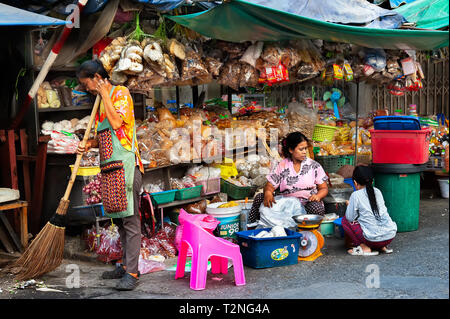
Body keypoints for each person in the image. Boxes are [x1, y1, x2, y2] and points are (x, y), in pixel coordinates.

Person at [76, 60, 144, 290]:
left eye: (87, 84)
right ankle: (125, 266)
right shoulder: (99, 103)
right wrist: (89, 145)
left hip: (127, 167)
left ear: (97, 78)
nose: (87, 89)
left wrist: (105, 93)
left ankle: (133, 274)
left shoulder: (120, 93)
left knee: (132, 222)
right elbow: (103, 136)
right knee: (121, 222)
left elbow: (117, 123)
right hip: (110, 169)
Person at [248, 132, 329, 223]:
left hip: (307, 203)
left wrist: (318, 196)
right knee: (260, 197)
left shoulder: (314, 165)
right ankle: (253, 226)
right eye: (301, 149)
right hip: (286, 205)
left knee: (316, 207)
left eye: (305, 148)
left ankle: (310, 233)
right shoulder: (282, 165)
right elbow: (270, 185)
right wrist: (268, 192)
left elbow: (324, 188)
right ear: (291, 150)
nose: (304, 152)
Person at [342, 165, 397, 256]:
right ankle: (382, 247)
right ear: (372, 181)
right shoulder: (378, 191)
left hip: (373, 240)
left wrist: (349, 206)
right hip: (390, 236)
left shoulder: (356, 195)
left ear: (355, 182)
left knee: (345, 220)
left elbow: (350, 217)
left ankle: (364, 247)